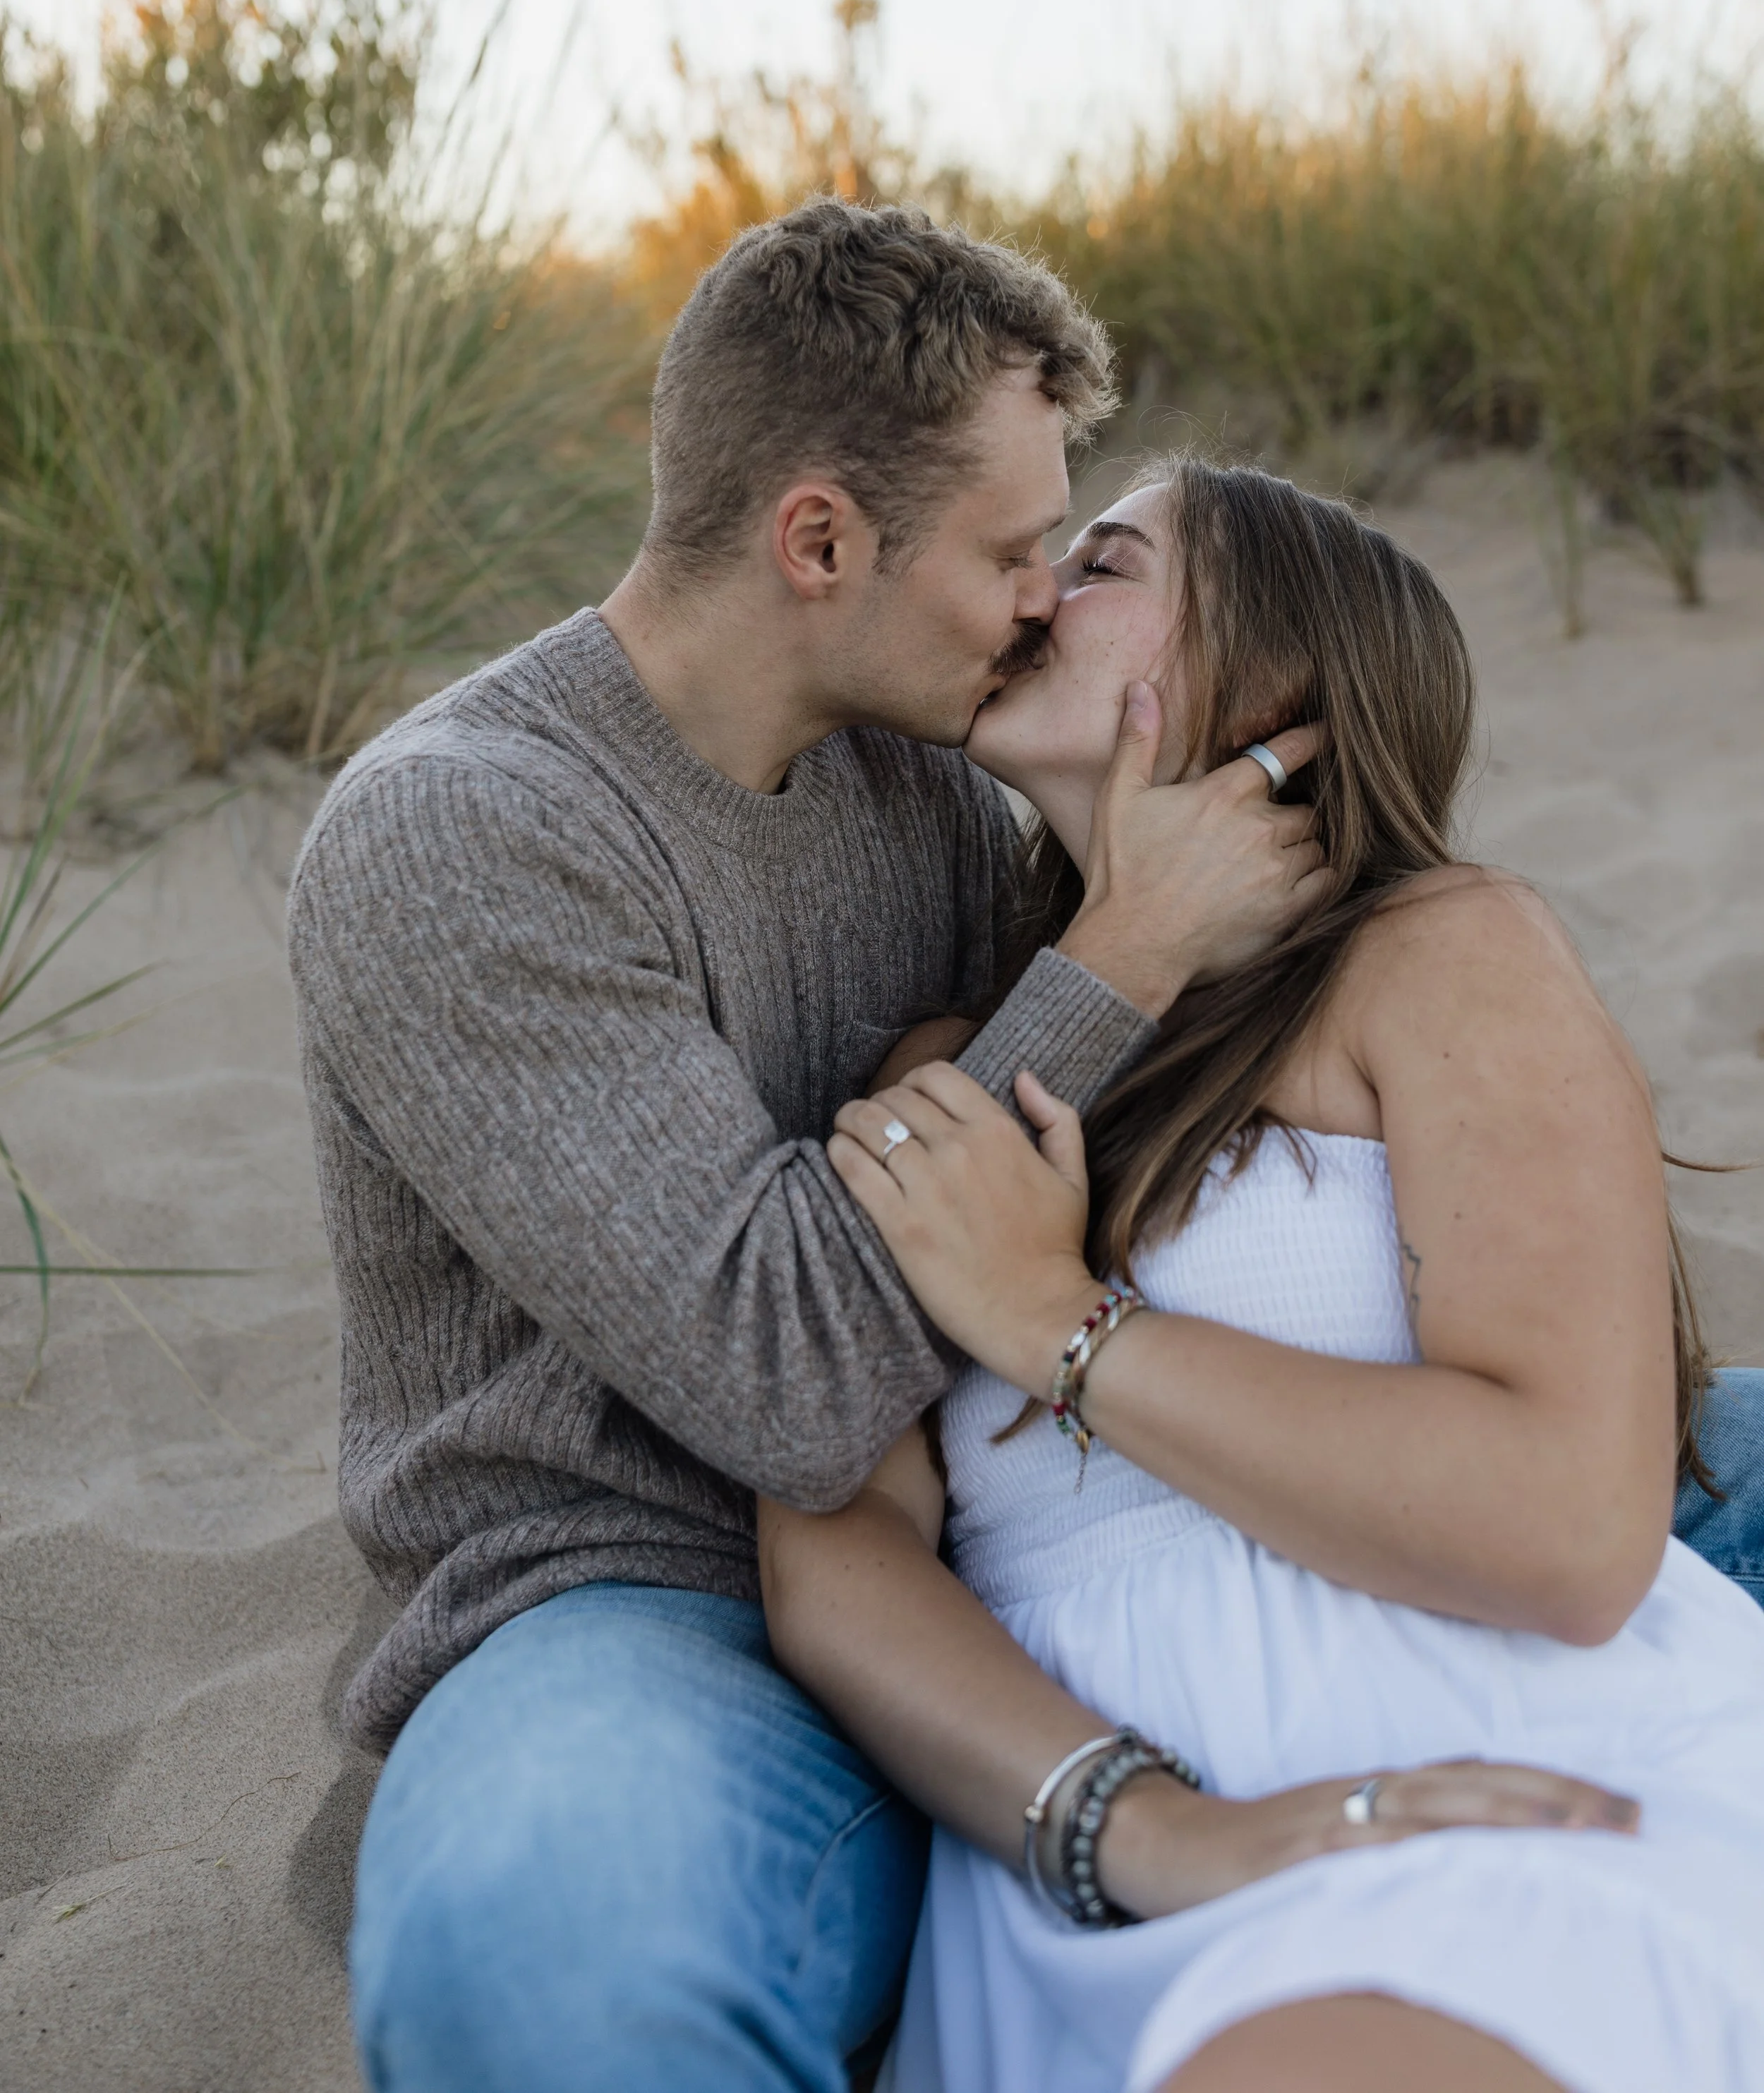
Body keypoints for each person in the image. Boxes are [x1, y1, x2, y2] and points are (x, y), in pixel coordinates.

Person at [287, 199, 1764, 2093]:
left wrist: (1080, 1257)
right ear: (817, 538)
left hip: (1123, 1521)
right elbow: (802, 1384)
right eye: (1014, 552)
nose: (1037, 598)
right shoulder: (464, 830)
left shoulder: (936, 779)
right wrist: (1128, 946)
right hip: (652, 1579)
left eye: (1079, 554)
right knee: (552, 1964)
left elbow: (1533, 1455)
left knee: (1692, 1450)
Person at [759, 454, 1764, 2093]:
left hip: (1471, 1774)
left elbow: (1573, 1533)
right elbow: (837, 1552)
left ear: (1276, 683)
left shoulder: (1434, 950)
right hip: (1082, 1845)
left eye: (1097, 564)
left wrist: (1057, 1324)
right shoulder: (952, 1062)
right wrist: (1121, 1823)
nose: (1028, 594)